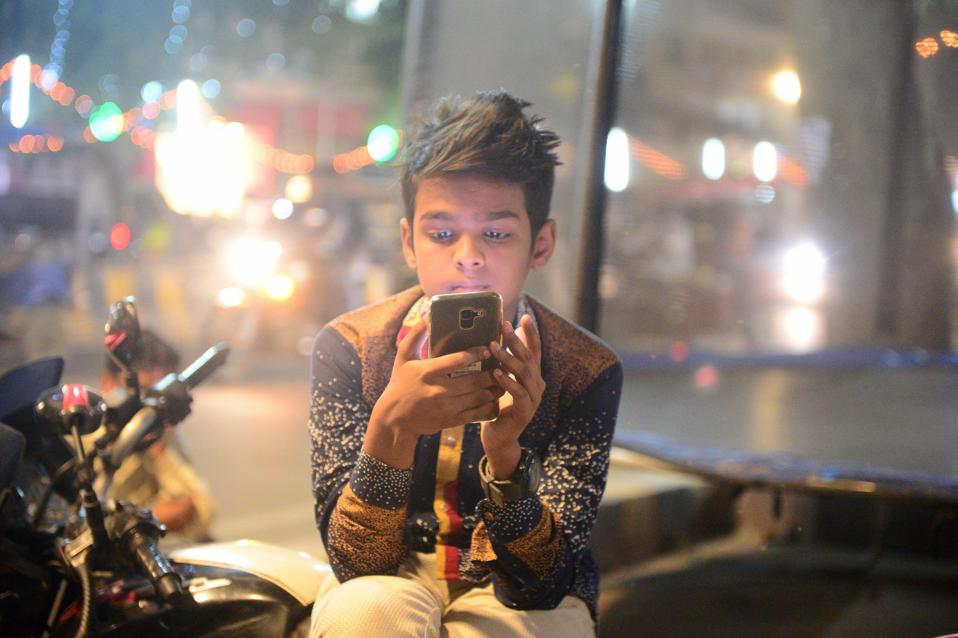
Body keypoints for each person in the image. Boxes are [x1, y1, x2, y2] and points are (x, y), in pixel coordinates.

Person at [307, 90, 623, 637]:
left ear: (541, 244)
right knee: (363, 611)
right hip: (394, 579)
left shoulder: (584, 369)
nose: (468, 255)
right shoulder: (350, 346)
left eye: (497, 233)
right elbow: (355, 566)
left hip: (514, 598)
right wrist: (391, 427)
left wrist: (507, 460)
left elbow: (542, 586)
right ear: (409, 241)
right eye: (442, 233)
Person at [101, 329, 214, 545]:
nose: (150, 409)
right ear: (108, 383)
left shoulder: (159, 432)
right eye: (143, 392)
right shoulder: (85, 435)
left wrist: (157, 449)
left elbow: (200, 511)